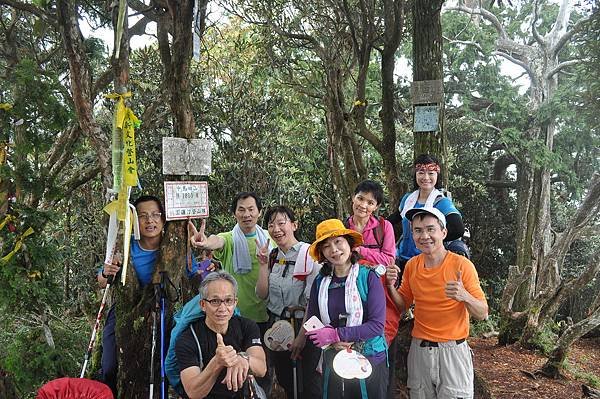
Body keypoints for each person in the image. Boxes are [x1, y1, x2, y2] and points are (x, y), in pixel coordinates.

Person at [98, 195, 201, 395]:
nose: (150, 221)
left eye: (155, 215)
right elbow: (102, 280)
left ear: (163, 219)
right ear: (135, 221)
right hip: (125, 310)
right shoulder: (125, 245)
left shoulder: (176, 246)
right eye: (143, 216)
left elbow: (194, 273)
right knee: (109, 365)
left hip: (163, 311)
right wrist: (105, 272)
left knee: (162, 366)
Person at [386, 207, 488, 399]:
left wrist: (464, 296)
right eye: (418, 230)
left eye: (430, 229)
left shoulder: (461, 265)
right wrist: (391, 286)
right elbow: (402, 305)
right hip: (420, 350)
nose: (424, 236)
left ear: (444, 232)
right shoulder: (412, 265)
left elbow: (482, 313)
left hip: (453, 351)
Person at [188, 192, 272, 392]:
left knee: (262, 371)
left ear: (259, 212)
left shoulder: (269, 239)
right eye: (241, 210)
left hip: (267, 314)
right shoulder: (230, 238)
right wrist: (204, 242)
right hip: (234, 318)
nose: (246, 214)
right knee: (230, 371)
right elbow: (216, 241)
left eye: (251, 209)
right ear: (234, 214)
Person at [305, 219, 388, 399]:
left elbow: (377, 326)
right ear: (322, 254)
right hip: (334, 358)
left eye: (338, 242)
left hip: (369, 359)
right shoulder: (320, 283)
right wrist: (331, 341)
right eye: (326, 246)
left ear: (349, 244)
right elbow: (312, 321)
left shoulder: (368, 278)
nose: (334, 250)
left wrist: (336, 335)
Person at [255, 206, 322, 399]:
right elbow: (262, 294)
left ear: (294, 225)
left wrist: (302, 336)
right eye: (271, 224)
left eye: (281, 223)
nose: (276, 229)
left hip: (305, 326)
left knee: (309, 382)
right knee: (286, 379)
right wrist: (262, 265)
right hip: (277, 325)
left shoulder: (309, 254)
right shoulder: (272, 256)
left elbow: (314, 301)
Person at [345, 180, 401, 398]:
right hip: (349, 296)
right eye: (360, 199)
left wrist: (357, 250)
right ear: (353, 198)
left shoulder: (383, 227)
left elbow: (389, 259)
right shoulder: (342, 227)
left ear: (376, 206)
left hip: (379, 298)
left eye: (370, 202)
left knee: (379, 349)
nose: (364, 206)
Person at [176, 271, 267, 399]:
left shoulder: (247, 326)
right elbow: (193, 392)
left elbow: (262, 368)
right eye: (215, 301)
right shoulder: (189, 339)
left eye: (228, 300)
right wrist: (217, 362)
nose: (223, 308)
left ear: (235, 303)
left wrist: (242, 358)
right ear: (203, 305)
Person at [387, 154, 464, 271]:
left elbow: (458, 229)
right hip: (402, 259)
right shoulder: (408, 199)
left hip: (427, 261)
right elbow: (396, 217)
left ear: (437, 175)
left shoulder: (442, 202)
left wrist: (431, 239)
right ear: (415, 174)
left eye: (431, 173)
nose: (426, 177)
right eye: (421, 173)